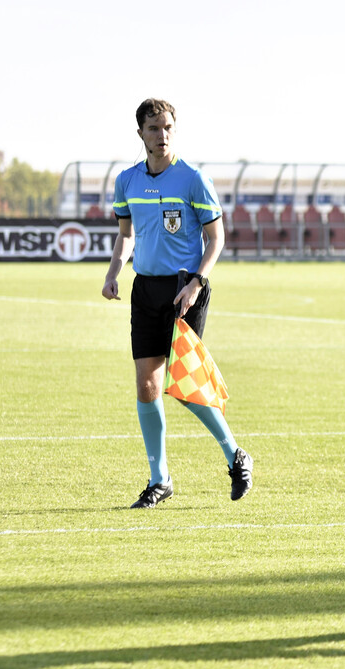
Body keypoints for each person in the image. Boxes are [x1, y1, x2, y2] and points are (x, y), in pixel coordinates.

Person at [101, 98, 253, 509]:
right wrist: (114, 272)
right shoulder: (128, 181)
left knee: (184, 387)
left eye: (168, 127)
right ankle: (159, 479)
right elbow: (126, 234)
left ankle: (235, 454)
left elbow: (216, 237)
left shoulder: (192, 179)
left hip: (185, 290)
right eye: (154, 128)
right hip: (145, 290)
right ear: (140, 134)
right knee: (148, 386)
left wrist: (198, 282)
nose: (162, 135)